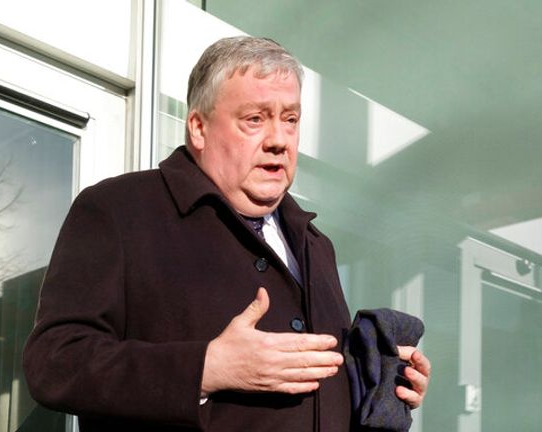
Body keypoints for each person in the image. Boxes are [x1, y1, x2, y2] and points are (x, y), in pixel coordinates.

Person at [23, 36, 430, 432]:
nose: (278, 141)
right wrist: (207, 368)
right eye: (255, 119)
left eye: (290, 120)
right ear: (199, 128)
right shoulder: (119, 209)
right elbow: (55, 363)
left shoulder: (315, 244)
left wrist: (378, 382)